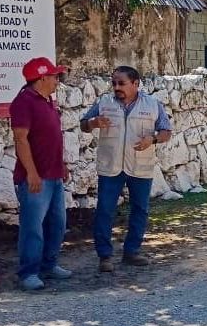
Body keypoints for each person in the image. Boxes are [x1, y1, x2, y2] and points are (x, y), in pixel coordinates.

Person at [80, 65, 173, 271]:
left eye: (121, 83)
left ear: (135, 84)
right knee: (105, 210)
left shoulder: (152, 105)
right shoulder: (105, 102)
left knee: (140, 210)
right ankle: (105, 256)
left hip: (140, 166)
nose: (116, 87)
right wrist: (93, 123)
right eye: (114, 83)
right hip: (110, 166)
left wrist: (153, 139)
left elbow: (166, 131)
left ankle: (132, 252)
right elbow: (83, 124)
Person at [10, 56, 71, 291]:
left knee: (57, 223)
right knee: (32, 227)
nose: (57, 80)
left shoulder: (47, 101)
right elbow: (20, 139)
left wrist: (61, 164)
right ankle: (29, 272)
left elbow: (52, 136)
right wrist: (32, 173)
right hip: (36, 178)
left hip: (53, 175)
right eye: (54, 76)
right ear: (42, 78)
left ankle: (49, 264)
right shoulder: (24, 102)